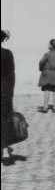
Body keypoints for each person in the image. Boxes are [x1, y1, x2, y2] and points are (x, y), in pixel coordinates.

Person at [1, 30, 16, 165]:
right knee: (4, 122)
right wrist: (10, 92)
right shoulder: (7, 54)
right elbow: (11, 75)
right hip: (3, 93)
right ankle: (5, 152)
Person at [38, 39, 55, 113]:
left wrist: (41, 69)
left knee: (47, 90)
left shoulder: (47, 54)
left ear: (51, 46)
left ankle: (45, 107)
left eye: (49, 44)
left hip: (47, 74)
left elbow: (41, 62)